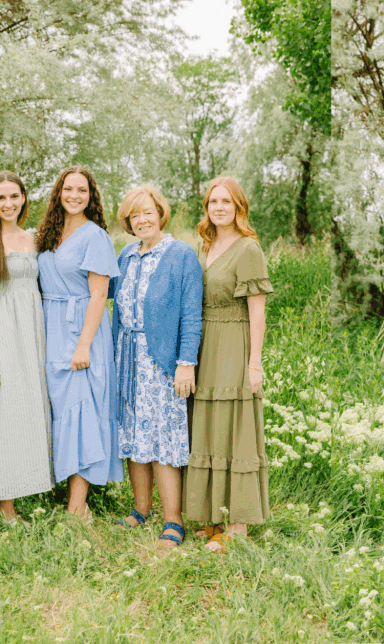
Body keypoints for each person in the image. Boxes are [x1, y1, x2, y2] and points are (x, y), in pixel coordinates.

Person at [110, 185, 203, 549]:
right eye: (135, 215)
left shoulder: (180, 254)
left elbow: (191, 315)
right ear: (128, 222)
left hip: (161, 361)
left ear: (161, 214)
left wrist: (185, 363)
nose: (142, 219)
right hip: (127, 357)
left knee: (165, 438)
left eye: (148, 212)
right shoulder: (125, 256)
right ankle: (140, 509)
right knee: (134, 434)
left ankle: (173, 519)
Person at [183, 177, 272, 553]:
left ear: (239, 206)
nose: (218, 208)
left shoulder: (248, 248)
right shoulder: (207, 245)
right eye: (212, 202)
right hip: (206, 342)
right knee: (208, 426)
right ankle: (215, 518)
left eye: (226, 202)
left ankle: (237, 526)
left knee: (235, 427)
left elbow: (258, 312)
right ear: (206, 208)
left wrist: (255, 363)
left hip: (235, 341)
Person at [36, 166, 122, 519]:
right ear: (58, 193)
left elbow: (99, 295)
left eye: (82, 190)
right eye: (68, 189)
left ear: (91, 196)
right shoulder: (47, 234)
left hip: (82, 331)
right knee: (59, 411)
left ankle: (77, 507)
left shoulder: (95, 237)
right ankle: (59, 489)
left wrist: (84, 344)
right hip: (50, 327)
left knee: (81, 411)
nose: (74, 195)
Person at [0, 172, 53, 526]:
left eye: (13, 197)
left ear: (23, 198)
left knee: (30, 407)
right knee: (4, 412)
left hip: (32, 331)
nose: (8, 204)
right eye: (0, 198)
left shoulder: (34, 238)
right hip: (3, 331)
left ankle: (31, 483)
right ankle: (5, 504)